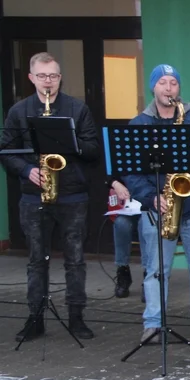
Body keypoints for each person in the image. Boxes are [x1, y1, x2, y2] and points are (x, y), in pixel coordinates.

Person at [124, 64, 190, 344]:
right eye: (162, 82)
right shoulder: (140, 124)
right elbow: (131, 171)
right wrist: (150, 197)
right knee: (157, 269)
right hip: (159, 206)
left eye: (173, 83)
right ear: (153, 87)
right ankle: (153, 324)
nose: (168, 88)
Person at [0, 52, 99, 342]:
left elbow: (93, 149)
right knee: (36, 261)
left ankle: (76, 318)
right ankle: (35, 319)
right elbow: (6, 150)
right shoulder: (19, 111)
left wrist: (70, 141)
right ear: (31, 78)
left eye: (53, 75)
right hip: (33, 196)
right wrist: (27, 170)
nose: (48, 81)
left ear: (60, 78)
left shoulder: (77, 109)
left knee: (76, 260)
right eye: (42, 76)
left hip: (72, 196)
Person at [108, 177, 146, 300]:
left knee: (144, 225)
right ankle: (122, 270)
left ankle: (149, 275)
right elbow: (107, 175)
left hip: (149, 206)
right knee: (121, 224)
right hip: (128, 207)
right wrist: (116, 183)